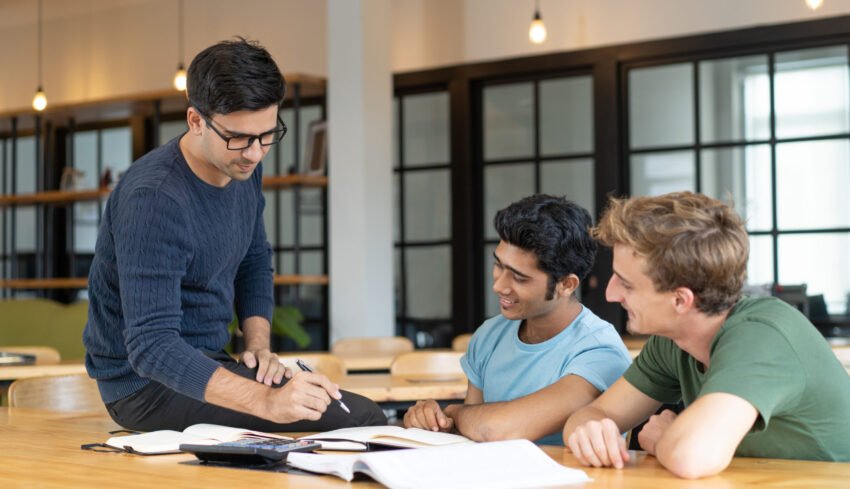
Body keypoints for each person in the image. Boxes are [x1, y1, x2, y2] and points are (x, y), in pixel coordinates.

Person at [83, 38, 386, 432]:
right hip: (143, 389)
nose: (255, 153)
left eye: (266, 135)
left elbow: (254, 258)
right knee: (360, 421)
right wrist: (267, 401)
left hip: (210, 363)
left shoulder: (242, 166)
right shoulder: (154, 198)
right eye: (239, 137)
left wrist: (258, 345)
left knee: (354, 417)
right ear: (195, 120)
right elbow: (152, 347)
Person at [563, 192, 850, 479]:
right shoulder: (672, 340)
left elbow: (691, 457)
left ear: (680, 300)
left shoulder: (762, 338)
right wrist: (590, 430)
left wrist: (663, 437)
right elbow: (591, 415)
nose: (611, 294)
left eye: (626, 284)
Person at [404, 195, 631, 444]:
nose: (499, 286)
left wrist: (455, 412)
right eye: (499, 265)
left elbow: (496, 429)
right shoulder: (489, 334)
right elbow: (472, 437)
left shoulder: (600, 350)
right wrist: (436, 422)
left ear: (566, 284)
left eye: (519, 278)